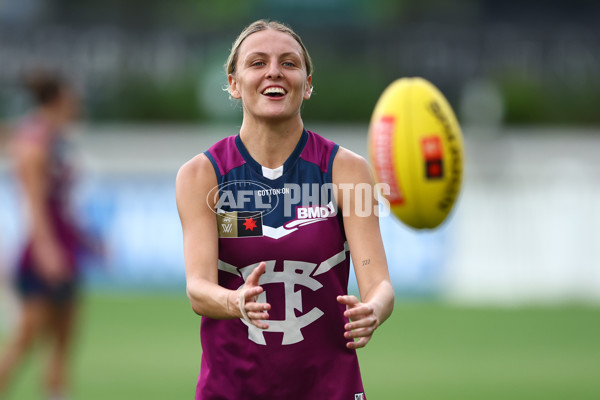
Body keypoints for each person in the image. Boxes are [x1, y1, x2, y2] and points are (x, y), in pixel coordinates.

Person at [176, 20, 394, 400]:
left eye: (289, 63)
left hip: (330, 388)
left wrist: (374, 309)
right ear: (233, 83)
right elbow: (197, 290)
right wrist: (232, 301)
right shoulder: (201, 175)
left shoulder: (348, 170)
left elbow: (379, 284)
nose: (274, 71)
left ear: (307, 85)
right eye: (257, 63)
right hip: (230, 389)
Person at [0, 72, 86, 400]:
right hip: (42, 251)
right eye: (72, 96)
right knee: (27, 337)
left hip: (63, 246)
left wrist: (85, 240)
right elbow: (33, 203)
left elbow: (62, 205)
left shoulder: (58, 140)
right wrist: (46, 250)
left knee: (64, 339)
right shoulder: (34, 141)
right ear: (58, 98)